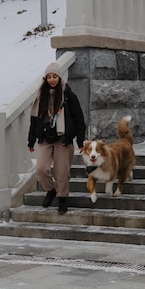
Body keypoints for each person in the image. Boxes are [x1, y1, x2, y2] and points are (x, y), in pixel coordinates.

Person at [28, 61, 86, 214]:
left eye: (55, 76)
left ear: (60, 78)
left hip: (63, 139)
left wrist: (80, 141)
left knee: (62, 172)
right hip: (45, 137)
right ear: (45, 79)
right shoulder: (41, 96)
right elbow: (34, 120)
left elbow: (79, 119)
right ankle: (50, 190)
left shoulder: (68, 95)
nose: (52, 80)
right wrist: (31, 140)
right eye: (49, 77)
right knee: (41, 168)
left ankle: (62, 199)